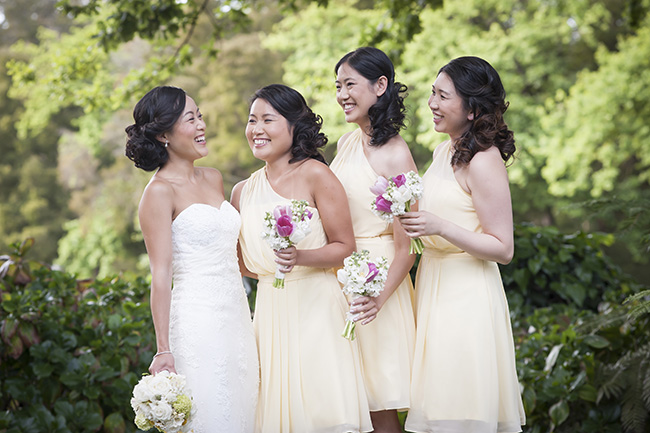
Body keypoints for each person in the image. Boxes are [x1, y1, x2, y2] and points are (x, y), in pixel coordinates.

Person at [231, 84, 372, 433]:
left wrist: (299, 257)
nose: (256, 129)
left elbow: (345, 246)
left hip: (317, 310)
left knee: (322, 413)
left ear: (295, 126)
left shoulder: (316, 174)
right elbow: (242, 263)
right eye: (252, 121)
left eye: (268, 119)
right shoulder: (241, 192)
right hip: (269, 314)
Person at [397, 57, 526, 432]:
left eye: (443, 96)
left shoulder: (484, 161)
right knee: (438, 410)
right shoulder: (444, 152)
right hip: (434, 289)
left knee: (461, 407)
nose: (432, 104)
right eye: (432, 94)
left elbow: (503, 248)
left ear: (471, 109)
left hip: (466, 298)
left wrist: (441, 226)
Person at [125, 86, 259, 433]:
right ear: (163, 134)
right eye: (190, 118)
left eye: (200, 115)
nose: (201, 125)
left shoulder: (213, 177)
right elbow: (161, 274)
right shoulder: (158, 192)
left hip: (237, 316)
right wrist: (163, 349)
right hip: (197, 322)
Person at [329, 46, 417, 433]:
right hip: (342, 276)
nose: (341, 94)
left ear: (381, 85)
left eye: (350, 84)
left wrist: (375, 300)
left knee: (380, 406)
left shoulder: (396, 156)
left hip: (379, 283)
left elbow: (408, 247)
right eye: (338, 86)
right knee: (353, 402)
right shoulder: (346, 143)